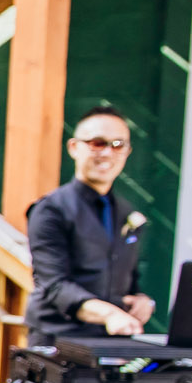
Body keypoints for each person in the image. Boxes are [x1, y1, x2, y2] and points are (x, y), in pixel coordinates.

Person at [24, 104, 152, 344]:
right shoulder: (50, 210)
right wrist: (109, 314)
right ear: (74, 147)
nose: (107, 153)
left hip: (112, 343)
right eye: (97, 143)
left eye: (117, 145)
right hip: (58, 341)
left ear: (127, 151)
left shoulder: (129, 213)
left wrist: (142, 301)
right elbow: (55, 286)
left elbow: (129, 282)